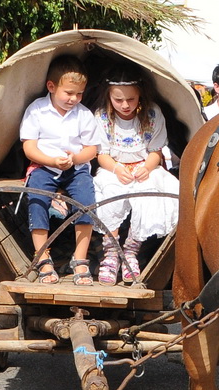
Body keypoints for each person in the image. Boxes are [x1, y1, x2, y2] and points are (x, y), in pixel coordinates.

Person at [20, 55, 101, 285]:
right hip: (44, 166)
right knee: (37, 200)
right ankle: (43, 258)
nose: (73, 99)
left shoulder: (84, 114)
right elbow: (29, 147)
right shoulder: (37, 110)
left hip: (75, 168)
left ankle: (81, 258)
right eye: (68, 93)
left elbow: (91, 150)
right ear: (51, 87)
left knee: (86, 201)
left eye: (79, 94)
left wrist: (75, 159)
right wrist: (51, 161)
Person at [93, 72, 179, 285]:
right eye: (118, 100)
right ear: (109, 97)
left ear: (140, 95)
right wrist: (115, 168)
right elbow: (101, 154)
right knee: (110, 195)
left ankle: (131, 251)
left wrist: (147, 167)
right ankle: (111, 254)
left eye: (131, 99)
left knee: (149, 197)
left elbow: (156, 150)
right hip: (114, 169)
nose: (125, 105)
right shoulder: (102, 117)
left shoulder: (152, 114)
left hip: (145, 168)